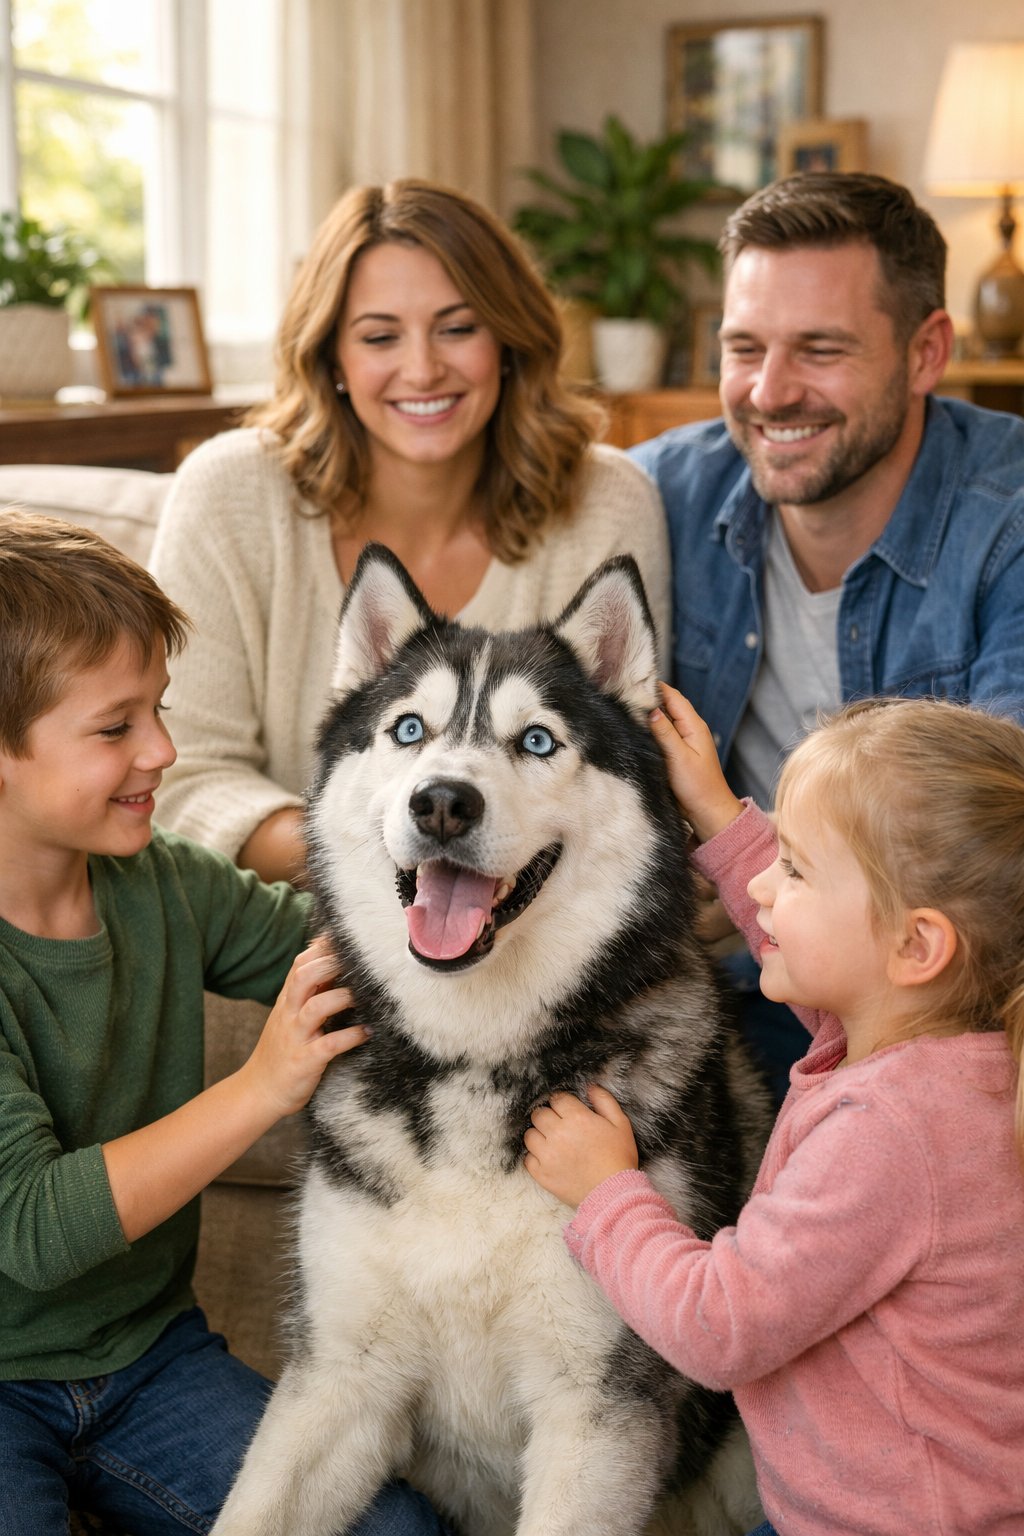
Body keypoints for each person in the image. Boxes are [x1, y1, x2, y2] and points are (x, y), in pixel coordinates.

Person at [0, 510, 451, 1536]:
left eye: (157, 710)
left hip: (149, 1355)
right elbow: (31, 1230)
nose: (164, 748)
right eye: (115, 727)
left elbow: (346, 955)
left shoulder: (162, 880)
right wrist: (262, 1086)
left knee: (397, 1531)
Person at [524, 684, 1024, 1536]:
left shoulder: (890, 1133)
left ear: (917, 946)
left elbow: (720, 1328)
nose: (759, 887)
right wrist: (720, 814)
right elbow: (827, 962)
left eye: (793, 868)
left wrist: (607, 1194)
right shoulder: (939, 1053)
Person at [150, 178, 670, 886]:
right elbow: (183, 775)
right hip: (281, 952)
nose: (423, 368)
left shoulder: (608, 503)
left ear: (510, 342)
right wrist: (399, 858)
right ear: (333, 357)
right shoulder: (229, 492)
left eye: (458, 328)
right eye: (380, 336)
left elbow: (630, 779)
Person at [630, 171, 1024, 1096]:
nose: (770, 392)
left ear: (927, 353)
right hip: (705, 981)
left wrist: (742, 869)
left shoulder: (1008, 524)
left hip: (932, 1015)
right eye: (744, 347)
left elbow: (992, 868)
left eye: (820, 349)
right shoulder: (656, 496)